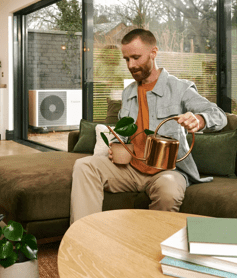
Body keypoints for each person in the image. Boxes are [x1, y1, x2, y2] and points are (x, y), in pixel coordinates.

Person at [70, 29, 227, 225]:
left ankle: (151, 247)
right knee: (85, 166)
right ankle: (84, 238)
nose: (131, 65)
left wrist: (199, 119)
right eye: (126, 59)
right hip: (131, 168)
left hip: (167, 172)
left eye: (136, 57)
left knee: (168, 190)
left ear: (153, 52)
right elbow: (125, 133)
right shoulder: (128, 93)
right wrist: (120, 148)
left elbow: (219, 115)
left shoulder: (179, 88)